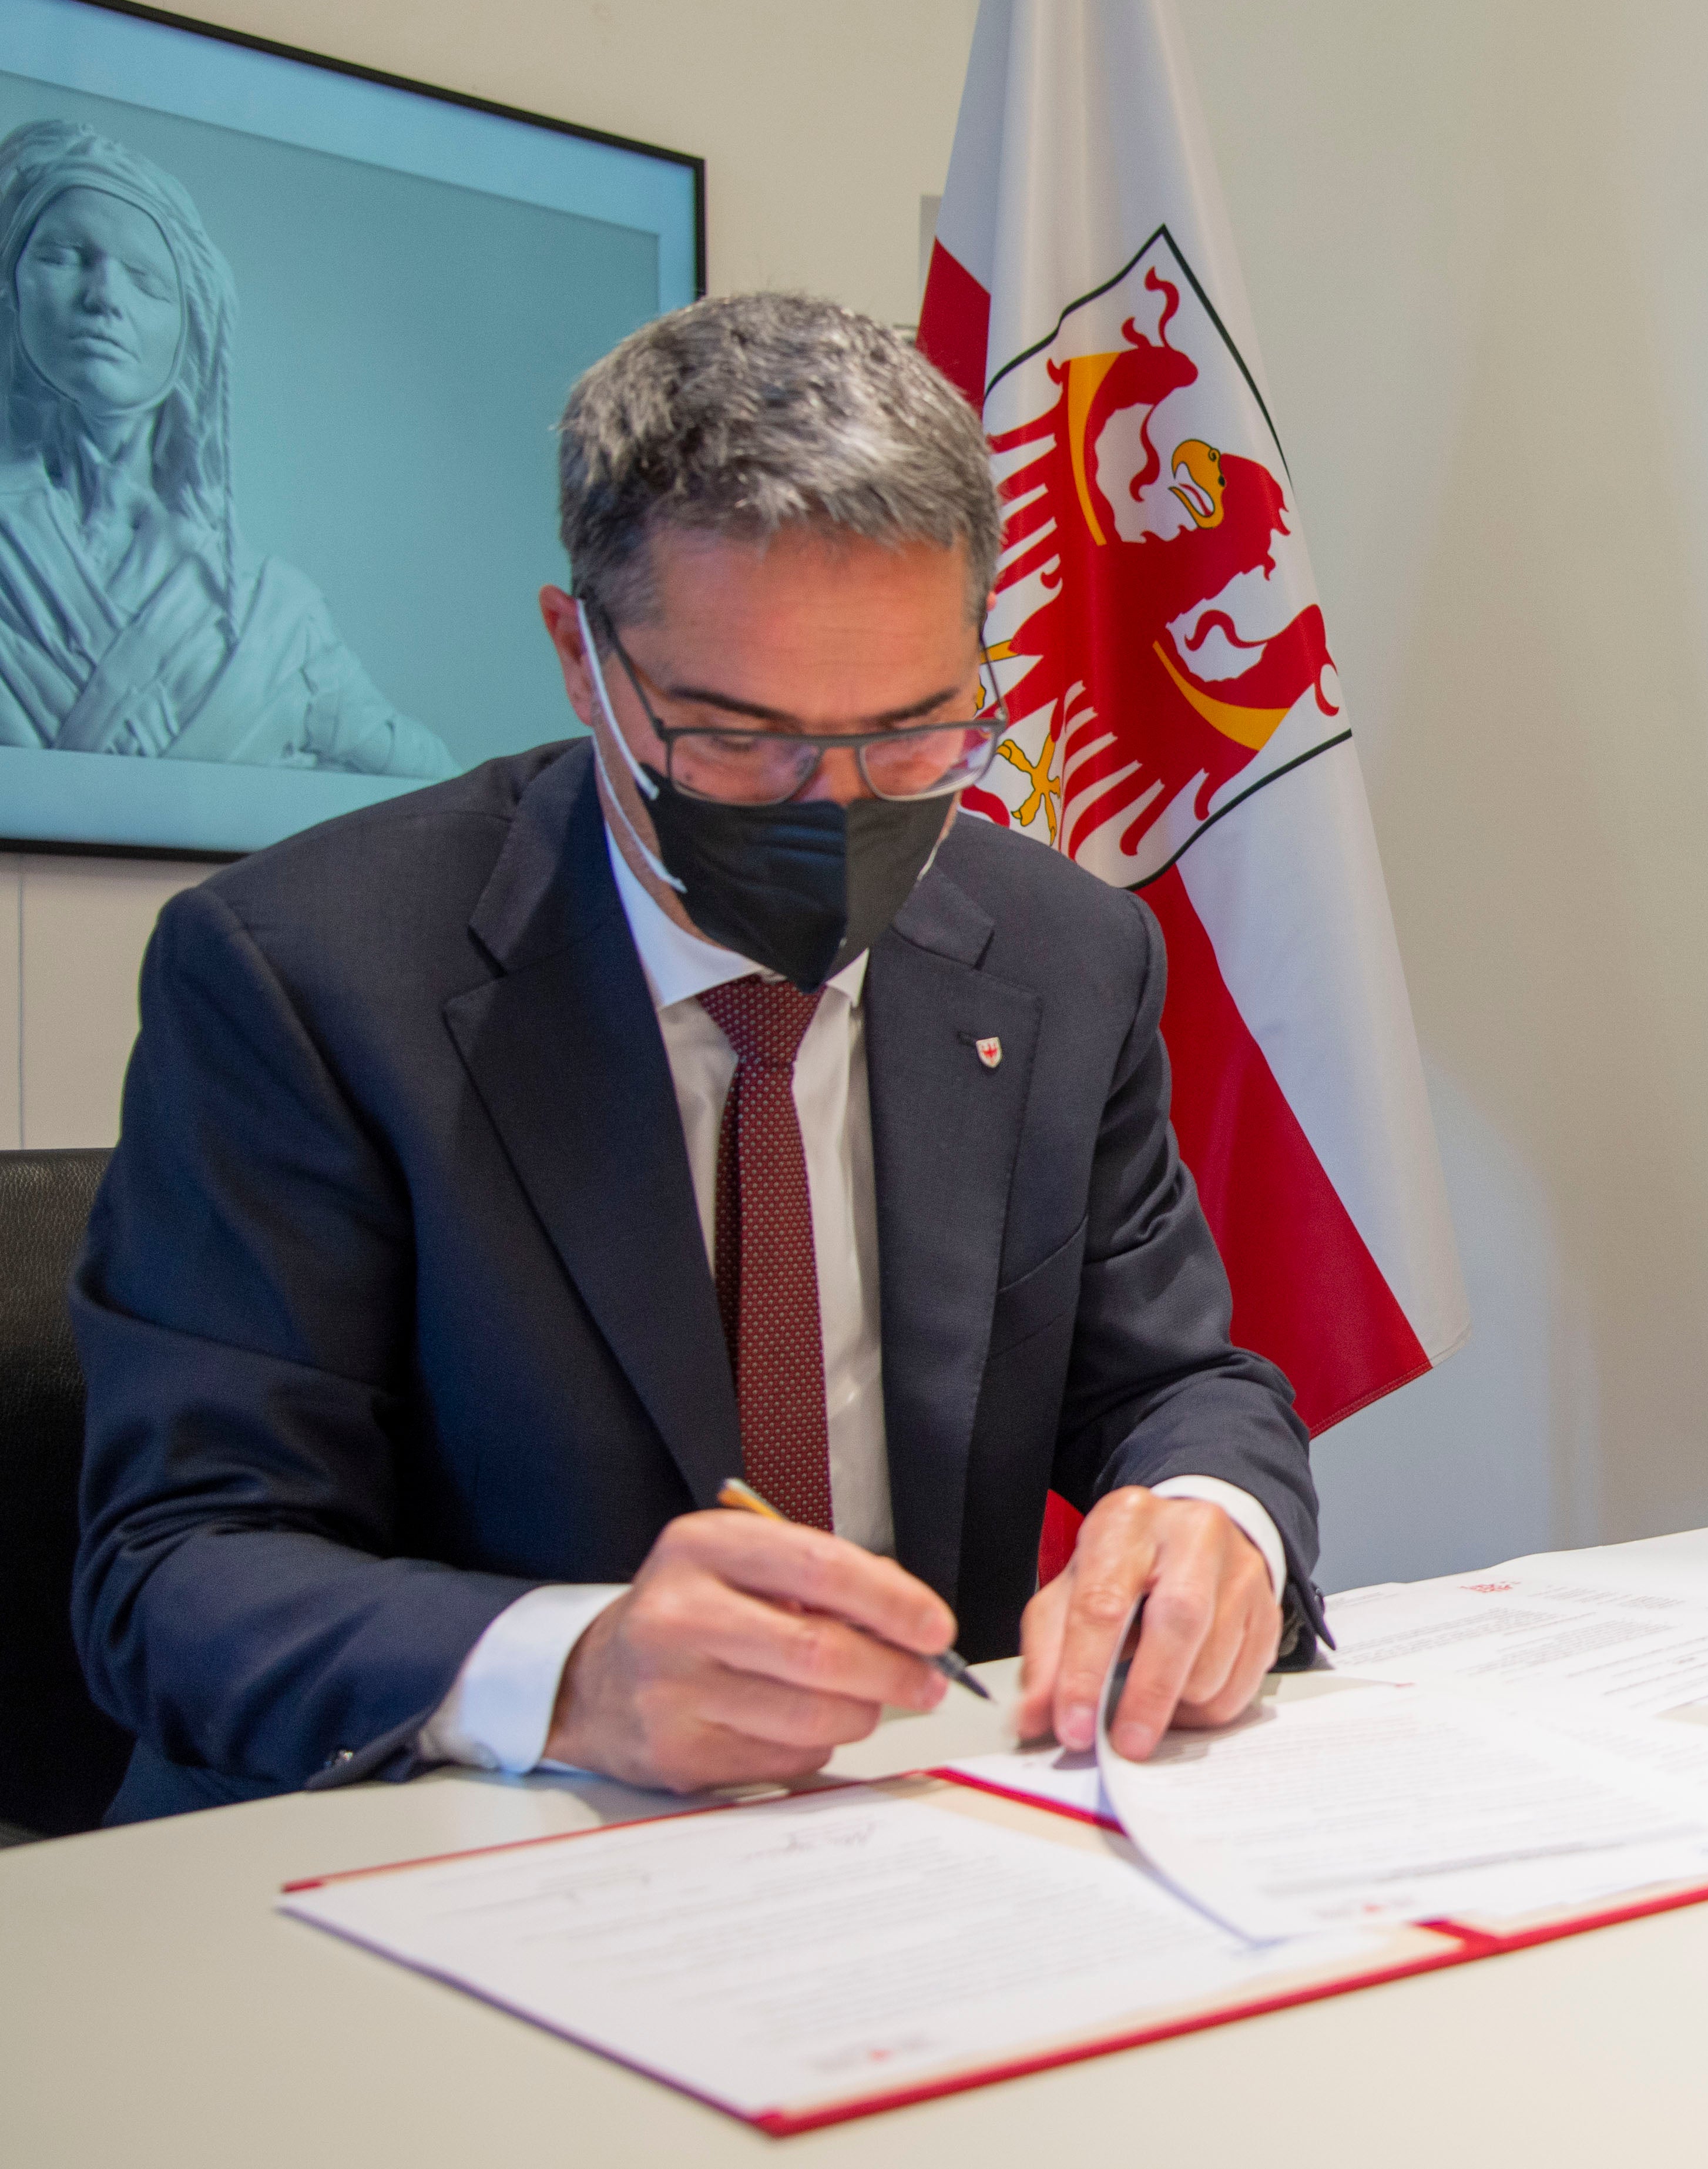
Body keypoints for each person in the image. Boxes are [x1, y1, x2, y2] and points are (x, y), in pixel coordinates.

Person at [73, 292, 1310, 1819]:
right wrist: (578, 1668)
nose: (838, 810)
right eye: (738, 740)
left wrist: (1208, 1519)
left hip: (908, 1846)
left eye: (919, 733)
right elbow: (177, 1567)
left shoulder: (1064, 954)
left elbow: (1179, 1380)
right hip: (439, 1856)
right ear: (582, 658)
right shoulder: (302, 975)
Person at [0, 118, 452, 777]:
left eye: (146, 281)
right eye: (65, 256)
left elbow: (436, 782)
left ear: (191, 333)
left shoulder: (276, 615)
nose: (103, 298)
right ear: (11, 287)